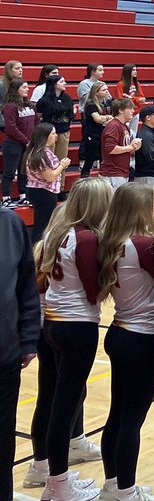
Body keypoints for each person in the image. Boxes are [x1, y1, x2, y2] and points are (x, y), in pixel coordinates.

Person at [35, 178, 110, 501]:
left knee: (56, 400)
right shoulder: (88, 238)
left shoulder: (58, 233)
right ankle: (59, 485)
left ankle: (50, 476)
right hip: (77, 325)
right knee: (65, 406)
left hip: (53, 323)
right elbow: (94, 292)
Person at [95, 182, 154, 501]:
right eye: (153, 204)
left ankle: (113, 485)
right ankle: (126, 491)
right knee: (131, 420)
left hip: (120, 331)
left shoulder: (113, 240)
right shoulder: (145, 245)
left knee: (118, 415)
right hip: (143, 338)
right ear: (139, 210)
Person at [2, 198, 38, 501]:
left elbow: (26, 286)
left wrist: (28, 339)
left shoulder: (11, 223)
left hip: (6, 358)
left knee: (3, 441)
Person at [25, 123, 70, 243]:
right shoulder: (42, 154)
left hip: (39, 191)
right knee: (43, 226)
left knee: (43, 224)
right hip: (44, 192)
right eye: (53, 134)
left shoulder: (37, 151)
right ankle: (38, 249)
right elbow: (50, 177)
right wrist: (62, 165)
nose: (56, 136)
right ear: (45, 136)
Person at [2, 79, 35, 199]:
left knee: (24, 172)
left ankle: (23, 195)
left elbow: (36, 122)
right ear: (16, 89)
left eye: (27, 87)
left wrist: (33, 139)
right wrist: (26, 141)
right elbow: (11, 128)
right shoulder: (10, 107)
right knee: (9, 172)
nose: (27, 89)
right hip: (13, 144)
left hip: (27, 144)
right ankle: (6, 197)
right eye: (24, 87)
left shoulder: (29, 105)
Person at [99, 97, 140, 189]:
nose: (133, 111)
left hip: (121, 173)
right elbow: (111, 149)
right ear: (121, 110)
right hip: (112, 174)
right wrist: (131, 147)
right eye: (130, 108)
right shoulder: (114, 126)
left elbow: (125, 149)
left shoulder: (124, 126)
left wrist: (135, 147)